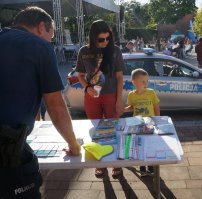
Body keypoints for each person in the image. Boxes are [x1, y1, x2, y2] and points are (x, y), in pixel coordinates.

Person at [0, 6, 81, 199]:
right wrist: (73, 144)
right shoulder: (39, 46)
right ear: (41, 27)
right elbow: (56, 105)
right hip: (8, 151)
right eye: (51, 35)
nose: (50, 41)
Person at [75, 19, 124, 179]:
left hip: (111, 95)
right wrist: (87, 88)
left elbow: (119, 77)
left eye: (108, 38)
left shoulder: (115, 50)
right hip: (92, 97)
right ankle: (100, 164)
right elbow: (80, 75)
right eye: (101, 39)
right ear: (93, 37)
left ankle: (116, 164)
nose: (105, 42)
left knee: (112, 131)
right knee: (96, 132)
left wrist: (119, 100)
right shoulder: (84, 51)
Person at [124, 68, 160, 176]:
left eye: (147, 81)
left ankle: (151, 165)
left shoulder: (151, 92)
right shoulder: (131, 94)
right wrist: (123, 109)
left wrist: (157, 119)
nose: (146, 83)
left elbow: (156, 106)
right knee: (139, 145)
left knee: (150, 144)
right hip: (137, 122)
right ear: (134, 82)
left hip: (150, 122)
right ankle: (142, 167)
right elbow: (131, 107)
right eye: (143, 81)